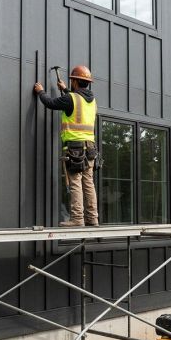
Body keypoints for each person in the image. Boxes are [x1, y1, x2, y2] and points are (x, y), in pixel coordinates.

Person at [33, 65, 99, 227]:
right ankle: (93, 218)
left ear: (75, 81)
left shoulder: (71, 99)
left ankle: (77, 219)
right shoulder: (91, 101)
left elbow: (50, 102)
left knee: (75, 181)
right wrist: (66, 90)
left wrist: (40, 91)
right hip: (90, 148)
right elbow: (76, 103)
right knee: (88, 183)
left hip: (75, 148)